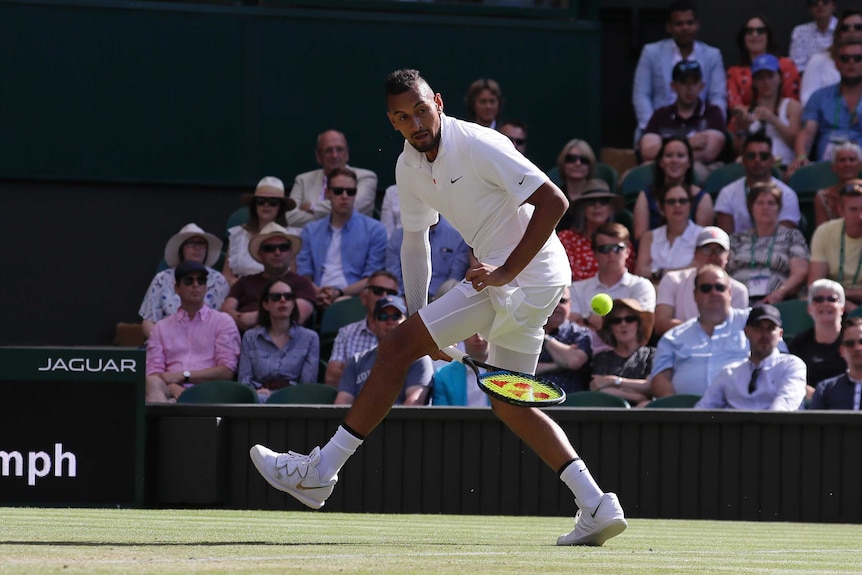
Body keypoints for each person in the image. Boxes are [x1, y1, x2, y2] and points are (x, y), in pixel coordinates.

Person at [249, 68, 628, 547]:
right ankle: (595, 503)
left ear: (440, 103)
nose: (415, 122)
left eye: (421, 109)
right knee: (509, 403)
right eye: (402, 117)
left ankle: (321, 471)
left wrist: (504, 273)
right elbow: (415, 243)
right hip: (526, 281)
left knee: (392, 351)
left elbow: (555, 201)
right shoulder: (408, 169)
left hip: (528, 274)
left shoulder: (480, 144)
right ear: (392, 122)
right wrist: (416, 315)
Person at [145, 261, 241, 403]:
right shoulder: (161, 327)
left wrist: (184, 376)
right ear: (176, 288)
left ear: (206, 287)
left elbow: (227, 371)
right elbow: (153, 370)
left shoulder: (223, 321)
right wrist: (171, 385)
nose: (196, 285)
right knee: (152, 382)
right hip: (170, 392)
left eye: (201, 281)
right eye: (189, 281)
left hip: (210, 391)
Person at [651, 264, 750, 398]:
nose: (714, 293)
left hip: (743, 411)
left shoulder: (753, 323)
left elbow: (780, 361)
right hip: (690, 415)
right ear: (695, 295)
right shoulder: (673, 337)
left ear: (730, 293)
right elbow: (660, 377)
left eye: (720, 287)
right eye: (706, 288)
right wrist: (676, 408)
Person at [632, 0, 726, 140]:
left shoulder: (712, 55)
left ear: (697, 25)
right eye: (679, 24)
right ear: (669, 27)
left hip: (700, 130)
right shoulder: (651, 53)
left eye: (689, 23)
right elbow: (641, 95)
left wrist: (712, 127)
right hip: (661, 129)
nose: (685, 28)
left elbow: (718, 97)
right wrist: (653, 128)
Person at [296, 166, 388, 308]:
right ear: (328, 193)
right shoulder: (310, 230)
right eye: (338, 191)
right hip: (315, 295)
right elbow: (304, 274)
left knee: (341, 305)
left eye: (350, 192)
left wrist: (339, 293)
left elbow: (372, 278)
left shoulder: (375, 230)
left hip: (355, 297)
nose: (345, 196)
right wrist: (319, 292)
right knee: (297, 305)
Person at [695, 305, 807, 410]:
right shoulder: (729, 373)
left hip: (777, 429)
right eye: (758, 328)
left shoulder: (791, 365)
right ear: (746, 332)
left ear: (780, 334)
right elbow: (702, 410)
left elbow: (784, 407)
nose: (764, 334)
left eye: (770, 328)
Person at [638, 60, 727, 181]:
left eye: (694, 82)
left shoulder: (712, 113)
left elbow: (709, 153)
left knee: (688, 173)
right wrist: (688, 143)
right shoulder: (661, 114)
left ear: (701, 86)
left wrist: (667, 154)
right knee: (634, 176)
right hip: (664, 167)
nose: (690, 88)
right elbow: (647, 152)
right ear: (674, 86)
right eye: (684, 83)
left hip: (701, 167)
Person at [334, 296, 431, 406]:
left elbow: (414, 402)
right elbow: (342, 402)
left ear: (406, 323)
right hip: (360, 422)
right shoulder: (356, 361)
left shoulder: (417, 359)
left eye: (396, 316)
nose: (390, 321)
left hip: (401, 422)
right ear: (374, 325)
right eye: (383, 316)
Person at [654, 226, 749, 337]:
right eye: (707, 249)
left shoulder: (739, 291)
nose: (713, 256)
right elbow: (661, 324)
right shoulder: (673, 280)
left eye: (719, 251)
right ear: (695, 254)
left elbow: (736, 331)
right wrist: (701, 333)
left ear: (727, 256)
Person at [138, 223, 229, 339]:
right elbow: (148, 321)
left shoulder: (219, 280)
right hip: (165, 344)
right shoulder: (161, 278)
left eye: (201, 244)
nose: (197, 248)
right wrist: (163, 341)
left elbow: (223, 323)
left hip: (206, 345)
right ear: (181, 249)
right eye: (191, 243)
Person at [221, 222, 317, 331]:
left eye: (283, 247)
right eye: (269, 248)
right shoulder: (244, 282)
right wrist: (240, 320)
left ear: (290, 252)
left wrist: (255, 318)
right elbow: (226, 311)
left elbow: (297, 316)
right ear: (260, 254)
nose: (277, 252)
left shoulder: (302, 283)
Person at [237, 278, 320, 403]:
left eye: (288, 297)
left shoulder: (310, 338)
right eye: (276, 297)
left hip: (295, 399)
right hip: (259, 398)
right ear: (265, 304)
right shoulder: (250, 337)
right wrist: (256, 392)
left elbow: (307, 385)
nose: (283, 300)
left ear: (293, 303)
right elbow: (244, 381)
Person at [726, 182, 810, 304]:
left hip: (778, 300)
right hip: (737, 300)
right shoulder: (736, 239)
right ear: (751, 208)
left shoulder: (792, 236)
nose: (765, 207)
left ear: (779, 208)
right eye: (760, 203)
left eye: (771, 203)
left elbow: (800, 272)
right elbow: (723, 271)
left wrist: (779, 293)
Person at [570, 222, 656, 335]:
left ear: (628, 251)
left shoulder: (642, 286)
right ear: (595, 253)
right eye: (604, 249)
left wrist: (587, 318)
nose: (611, 254)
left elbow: (643, 327)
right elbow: (571, 328)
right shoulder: (576, 289)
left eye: (617, 248)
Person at [792, 38, 862, 169]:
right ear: (837, 64)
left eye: (858, 58)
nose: (851, 62)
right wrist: (801, 156)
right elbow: (807, 131)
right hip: (827, 167)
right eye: (845, 59)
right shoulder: (820, 96)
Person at [323, 270, 401, 386]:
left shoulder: (405, 334)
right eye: (377, 291)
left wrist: (353, 372)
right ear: (364, 297)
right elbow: (332, 378)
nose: (384, 297)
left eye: (391, 293)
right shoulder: (346, 333)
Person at [286, 130, 378, 227]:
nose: (334, 155)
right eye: (328, 150)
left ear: (347, 154)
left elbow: (352, 206)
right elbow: (290, 218)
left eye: (339, 149)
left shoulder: (366, 177)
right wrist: (335, 217)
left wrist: (312, 207)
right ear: (318, 156)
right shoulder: (303, 180)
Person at [714, 132, 801, 234]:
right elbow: (725, 241)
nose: (757, 160)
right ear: (743, 161)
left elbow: (783, 240)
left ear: (772, 161)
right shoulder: (727, 193)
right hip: (737, 248)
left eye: (764, 156)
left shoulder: (787, 195)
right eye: (751, 156)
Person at [632, 136, 714, 242]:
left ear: (689, 162)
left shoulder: (703, 198)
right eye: (669, 155)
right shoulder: (646, 196)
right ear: (661, 162)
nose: (674, 160)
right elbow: (640, 237)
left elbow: (703, 241)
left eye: (680, 156)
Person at [728, 54, 802, 170]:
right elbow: (738, 151)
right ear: (754, 83)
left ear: (779, 78)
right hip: (753, 167)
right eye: (760, 78)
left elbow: (796, 142)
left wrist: (774, 120)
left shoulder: (791, 106)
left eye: (770, 76)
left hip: (785, 165)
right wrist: (742, 131)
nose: (766, 82)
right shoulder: (747, 111)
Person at [224, 177, 297, 286]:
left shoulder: (291, 236)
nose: (266, 205)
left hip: (278, 295)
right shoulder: (238, 234)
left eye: (273, 202)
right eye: (261, 201)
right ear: (254, 205)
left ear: (280, 207)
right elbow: (226, 275)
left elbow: (293, 275)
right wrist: (243, 290)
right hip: (242, 295)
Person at [557, 185, 634, 282]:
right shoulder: (566, 238)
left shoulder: (621, 240)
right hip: (575, 293)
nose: (597, 206)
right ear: (582, 209)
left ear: (610, 209)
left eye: (604, 201)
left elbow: (629, 272)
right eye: (591, 202)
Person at [589, 298, 656, 407]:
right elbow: (598, 388)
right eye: (616, 321)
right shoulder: (602, 358)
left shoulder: (651, 355)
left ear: (638, 325)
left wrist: (615, 381)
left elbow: (652, 386)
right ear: (610, 328)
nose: (623, 324)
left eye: (629, 319)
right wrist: (637, 396)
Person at [727, 15, 800, 113]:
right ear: (743, 38)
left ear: (768, 36)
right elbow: (735, 106)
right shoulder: (734, 72)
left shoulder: (786, 65)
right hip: (746, 122)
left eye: (760, 31)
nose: (755, 35)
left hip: (782, 119)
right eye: (749, 31)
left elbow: (793, 101)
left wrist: (770, 116)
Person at [788, 279, 847, 398]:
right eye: (818, 299)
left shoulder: (854, 339)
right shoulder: (799, 342)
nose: (825, 303)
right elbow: (789, 376)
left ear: (842, 309)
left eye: (832, 299)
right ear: (809, 309)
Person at [385, 215, 470, 297]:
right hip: (404, 299)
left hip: (443, 298)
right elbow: (393, 276)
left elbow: (454, 279)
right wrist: (403, 297)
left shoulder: (458, 236)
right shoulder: (398, 237)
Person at [809, 179, 862, 308]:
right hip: (832, 301)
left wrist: (845, 295)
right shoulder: (824, 232)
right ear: (841, 211)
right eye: (853, 210)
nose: (860, 216)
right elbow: (815, 284)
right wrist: (846, 305)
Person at [635, 183, 702, 284]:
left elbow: (698, 270)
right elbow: (640, 272)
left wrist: (658, 273)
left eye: (682, 201)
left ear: (690, 206)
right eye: (671, 202)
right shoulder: (649, 237)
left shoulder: (702, 235)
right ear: (662, 208)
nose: (677, 205)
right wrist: (683, 270)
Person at [536, 286, 593, 394]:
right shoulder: (529, 332)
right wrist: (559, 364)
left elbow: (574, 362)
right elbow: (522, 369)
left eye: (562, 301)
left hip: (569, 401)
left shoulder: (579, 333)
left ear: (570, 305)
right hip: (530, 397)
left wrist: (546, 338)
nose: (557, 305)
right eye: (552, 301)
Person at [801, 9, 862, 106]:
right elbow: (807, 100)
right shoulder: (818, 60)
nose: (852, 31)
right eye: (845, 28)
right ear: (838, 33)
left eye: (858, 27)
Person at [809, 315, 862, 409]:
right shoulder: (825, 389)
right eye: (850, 343)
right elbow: (814, 423)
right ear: (842, 351)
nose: (857, 348)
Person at [431, 333, 491, 407]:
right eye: (473, 332)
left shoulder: (505, 371)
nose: (479, 338)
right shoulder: (442, 375)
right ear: (463, 337)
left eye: (483, 332)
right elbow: (441, 415)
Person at [814, 141, 861, 226]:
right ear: (834, 167)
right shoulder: (823, 197)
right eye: (842, 160)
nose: (847, 164)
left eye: (852, 159)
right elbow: (822, 233)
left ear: (860, 165)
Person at [555, 139, 598, 229]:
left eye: (584, 160)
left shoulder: (598, 197)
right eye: (571, 159)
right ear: (563, 163)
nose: (578, 164)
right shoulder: (555, 197)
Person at [790, 0, 838, 74]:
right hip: (808, 79)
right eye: (815, 2)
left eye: (825, 1)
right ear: (810, 8)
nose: (820, 4)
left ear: (834, 5)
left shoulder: (844, 28)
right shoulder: (800, 32)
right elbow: (797, 66)